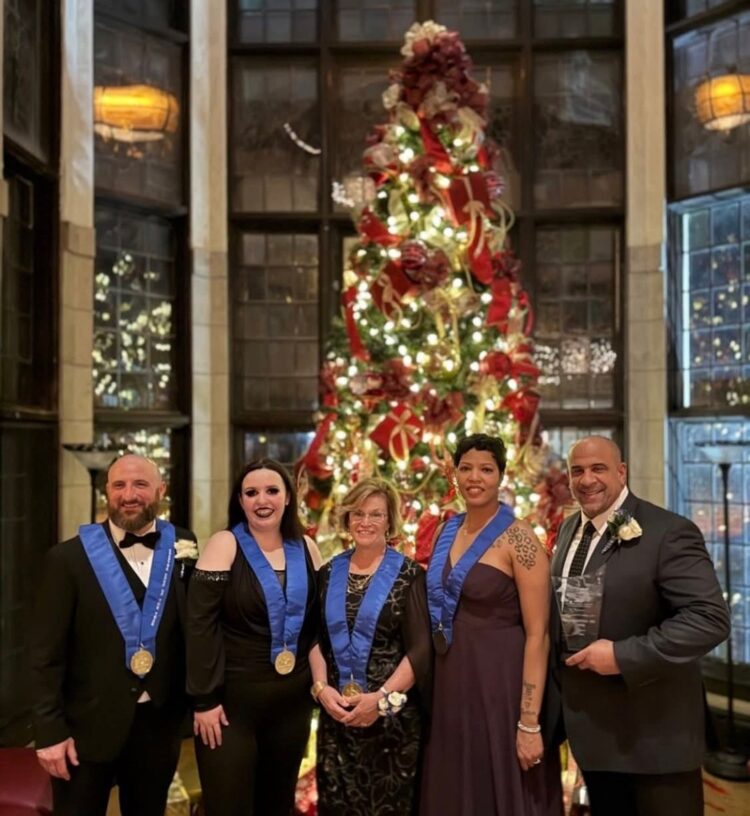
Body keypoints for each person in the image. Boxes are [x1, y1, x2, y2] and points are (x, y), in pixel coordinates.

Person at [550, 435, 730, 816]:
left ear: (621, 471)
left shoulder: (668, 531)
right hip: (595, 736)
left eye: (598, 468)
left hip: (655, 738)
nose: (586, 480)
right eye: (577, 471)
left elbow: (709, 619)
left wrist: (620, 655)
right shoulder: (568, 530)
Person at [31, 453, 197, 816]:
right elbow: (45, 654)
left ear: (160, 490)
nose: (129, 494)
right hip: (84, 730)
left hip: (158, 726)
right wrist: (49, 732)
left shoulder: (184, 545)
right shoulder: (67, 559)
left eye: (140, 484)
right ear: (106, 491)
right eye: (119, 485)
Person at [420, 433, 563, 816]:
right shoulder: (445, 529)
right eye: (465, 468)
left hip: (501, 683)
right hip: (451, 678)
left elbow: (539, 634)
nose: (474, 478)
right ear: (454, 473)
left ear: (500, 475)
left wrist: (529, 722)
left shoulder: (521, 540)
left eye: (486, 469)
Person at [187, 458, 322, 816]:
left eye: (272, 490)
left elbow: (319, 627)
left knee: (276, 807)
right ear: (241, 500)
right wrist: (203, 700)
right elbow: (199, 626)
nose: (262, 500)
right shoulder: (224, 544)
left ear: (288, 497)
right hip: (231, 710)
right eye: (252, 492)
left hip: (291, 707)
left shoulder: (308, 549)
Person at [311, 477, 431, 816]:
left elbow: (420, 650)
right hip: (338, 720)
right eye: (358, 513)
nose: (365, 522)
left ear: (389, 521)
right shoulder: (327, 572)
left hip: (391, 722)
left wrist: (379, 700)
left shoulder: (410, 575)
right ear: (347, 518)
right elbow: (314, 639)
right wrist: (321, 690)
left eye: (375, 515)